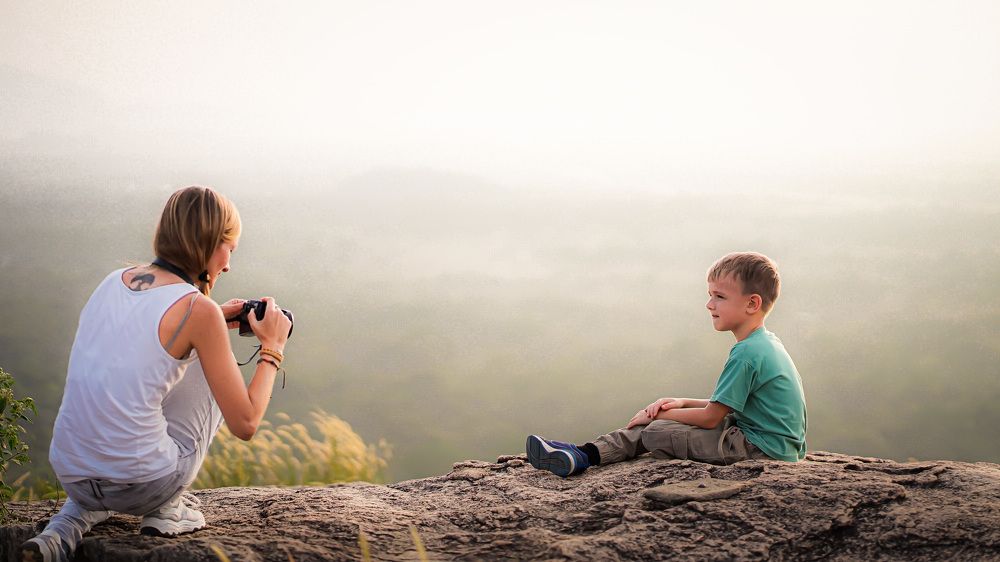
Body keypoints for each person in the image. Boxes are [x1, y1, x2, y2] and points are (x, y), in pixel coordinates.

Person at [21, 186, 292, 562]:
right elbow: (245, 423)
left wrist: (211, 321)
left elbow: (146, 347)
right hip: (144, 487)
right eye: (230, 247)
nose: (228, 264)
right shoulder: (198, 311)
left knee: (134, 395)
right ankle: (167, 510)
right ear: (210, 242)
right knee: (217, 372)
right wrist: (272, 349)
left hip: (74, 476)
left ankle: (67, 524)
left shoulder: (111, 282)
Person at [526, 252, 807, 477]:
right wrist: (681, 403)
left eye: (720, 296)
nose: (709, 304)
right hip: (764, 442)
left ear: (752, 303)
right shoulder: (764, 343)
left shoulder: (747, 353)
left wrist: (659, 417)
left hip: (759, 450)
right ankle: (582, 454)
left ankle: (582, 455)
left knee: (655, 432)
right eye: (710, 295)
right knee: (658, 422)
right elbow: (727, 406)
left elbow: (712, 417)